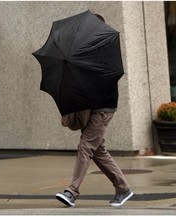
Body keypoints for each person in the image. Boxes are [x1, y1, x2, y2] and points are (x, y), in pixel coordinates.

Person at [55, 13, 133, 207]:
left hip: (103, 107)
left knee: (86, 146)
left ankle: (72, 191)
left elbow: (104, 79)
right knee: (98, 151)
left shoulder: (106, 49)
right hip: (90, 106)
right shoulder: (86, 49)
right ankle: (123, 188)